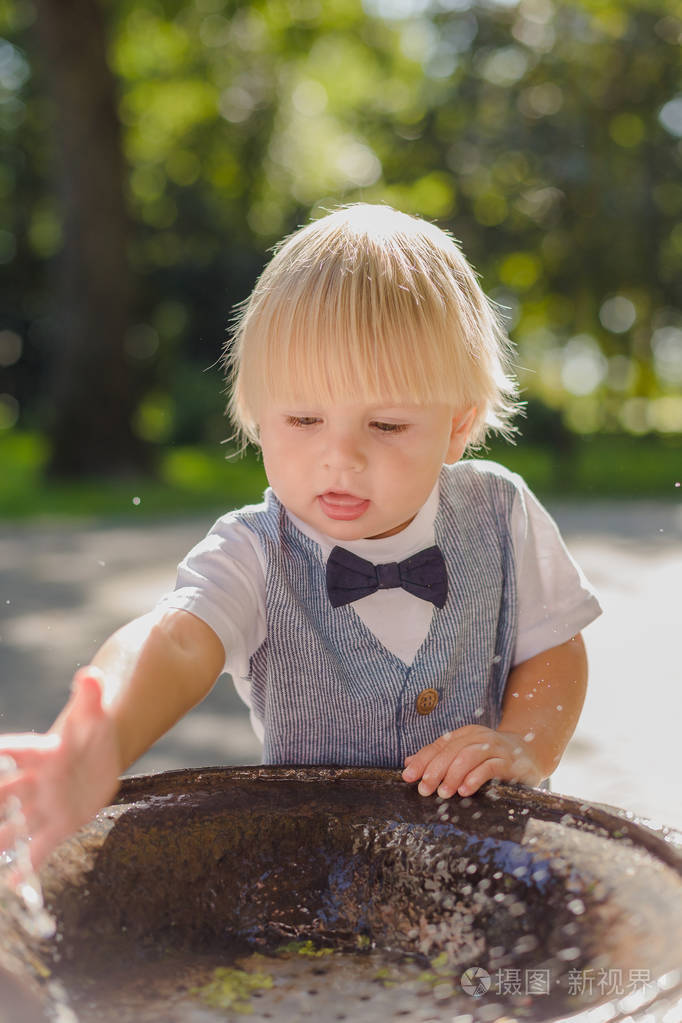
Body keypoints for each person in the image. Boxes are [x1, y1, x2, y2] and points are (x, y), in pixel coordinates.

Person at [0, 204, 601, 872]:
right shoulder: (254, 551)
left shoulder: (501, 512)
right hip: (315, 874)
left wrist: (524, 744)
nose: (339, 457)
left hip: (482, 860)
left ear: (457, 425)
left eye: (388, 425)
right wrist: (97, 738)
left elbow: (555, 646)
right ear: (258, 416)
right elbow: (172, 639)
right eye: (304, 418)